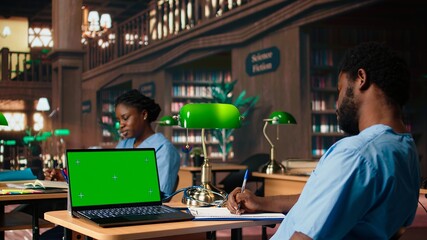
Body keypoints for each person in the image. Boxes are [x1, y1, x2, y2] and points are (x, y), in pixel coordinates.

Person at [226, 42, 420, 239]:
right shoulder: (405, 150)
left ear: (361, 78)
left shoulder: (356, 154)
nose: (337, 104)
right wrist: (262, 202)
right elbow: (332, 200)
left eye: (340, 89)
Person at [115, 89, 180, 196]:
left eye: (125, 118)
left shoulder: (163, 149)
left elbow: (158, 195)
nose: (121, 124)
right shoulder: (124, 144)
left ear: (144, 114)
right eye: (119, 120)